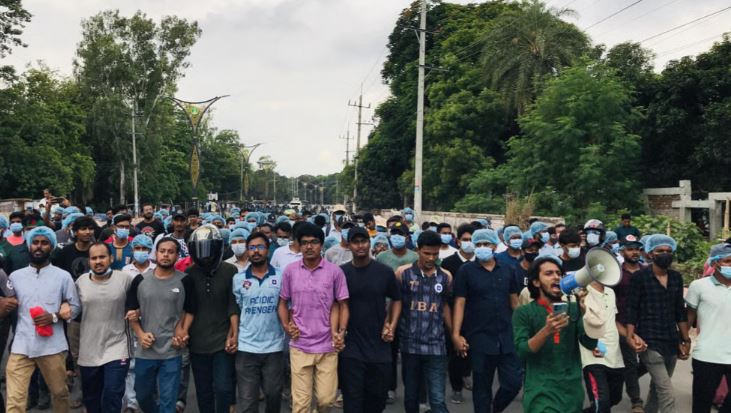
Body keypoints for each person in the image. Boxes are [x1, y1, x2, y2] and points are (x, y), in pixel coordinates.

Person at [5, 227, 80, 413]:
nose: (39, 247)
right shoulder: (15, 277)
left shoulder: (63, 277)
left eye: (44, 243)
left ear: (51, 247)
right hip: (21, 345)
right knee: (15, 400)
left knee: (60, 394)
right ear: (29, 245)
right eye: (35, 242)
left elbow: (75, 308)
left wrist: (54, 316)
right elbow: (7, 302)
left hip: (52, 346)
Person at [278, 222, 349, 413]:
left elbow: (342, 304)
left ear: (321, 245)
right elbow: (283, 302)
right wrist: (286, 326)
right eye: (305, 243)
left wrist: (341, 332)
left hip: (328, 345)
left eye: (314, 242)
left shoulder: (335, 272)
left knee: (326, 400)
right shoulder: (290, 271)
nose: (309, 246)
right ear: (299, 246)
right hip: (300, 344)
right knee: (300, 405)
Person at [452, 228, 522, 412]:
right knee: (482, 387)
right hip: (479, 336)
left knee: (513, 383)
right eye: (478, 244)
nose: (482, 247)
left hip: (507, 335)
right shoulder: (466, 271)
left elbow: (514, 302)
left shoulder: (507, 269)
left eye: (486, 244)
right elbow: (460, 302)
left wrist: (525, 328)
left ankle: (495, 409)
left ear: (494, 245)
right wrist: (456, 334)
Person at [126, 237, 197, 413]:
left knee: (168, 399)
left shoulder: (185, 281)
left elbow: (191, 310)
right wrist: (140, 334)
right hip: (145, 349)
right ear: (156, 253)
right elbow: (131, 313)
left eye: (171, 252)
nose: (166, 255)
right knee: (142, 395)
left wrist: (183, 330)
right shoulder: (140, 281)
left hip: (172, 350)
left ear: (177, 256)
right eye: (162, 251)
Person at [339, 227, 402, 413]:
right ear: (349, 245)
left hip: (380, 346)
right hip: (351, 347)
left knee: (376, 401)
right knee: (352, 402)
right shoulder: (341, 273)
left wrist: (391, 324)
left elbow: (397, 299)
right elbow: (337, 305)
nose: (360, 246)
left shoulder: (384, 272)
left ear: (370, 243)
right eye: (355, 242)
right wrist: (339, 332)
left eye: (364, 241)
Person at [626, 234, 690, 413]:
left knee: (657, 387)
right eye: (660, 251)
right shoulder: (640, 277)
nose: (665, 254)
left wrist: (686, 339)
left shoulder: (676, 277)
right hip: (649, 340)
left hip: (671, 339)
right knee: (666, 391)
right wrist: (630, 336)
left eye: (668, 251)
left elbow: (680, 310)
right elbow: (632, 308)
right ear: (650, 253)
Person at [512, 255, 584, 412]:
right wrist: (546, 331)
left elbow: (590, 343)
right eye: (549, 273)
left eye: (559, 273)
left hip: (571, 392)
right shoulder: (524, 312)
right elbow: (522, 351)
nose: (556, 277)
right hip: (541, 393)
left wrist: (584, 314)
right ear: (536, 282)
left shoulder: (573, 308)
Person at [396, 230, 453, 413]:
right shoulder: (403, 274)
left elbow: (445, 306)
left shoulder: (446, 277)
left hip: (436, 346)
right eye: (427, 253)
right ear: (418, 250)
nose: (431, 258)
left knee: (437, 399)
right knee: (411, 397)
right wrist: (390, 326)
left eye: (435, 254)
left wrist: (454, 334)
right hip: (409, 344)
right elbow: (396, 304)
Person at [185, 225, 239, 413]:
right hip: (197, 342)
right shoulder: (190, 274)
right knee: (203, 390)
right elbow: (187, 309)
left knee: (224, 388)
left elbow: (233, 306)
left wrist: (233, 334)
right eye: (199, 250)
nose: (204, 256)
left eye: (208, 250)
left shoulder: (230, 271)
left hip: (222, 341)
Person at [76, 243, 134, 413]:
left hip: (118, 346)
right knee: (92, 399)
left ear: (110, 258)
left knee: (112, 394)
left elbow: (137, 304)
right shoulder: (80, 282)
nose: (98, 261)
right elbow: (72, 313)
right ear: (89, 261)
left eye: (102, 257)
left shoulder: (124, 279)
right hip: (89, 349)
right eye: (94, 258)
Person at [233, 232, 286, 413]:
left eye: (260, 247)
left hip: (274, 347)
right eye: (252, 248)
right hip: (246, 347)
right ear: (247, 251)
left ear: (268, 250)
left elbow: (285, 307)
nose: (256, 252)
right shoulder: (239, 279)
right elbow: (238, 310)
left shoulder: (281, 277)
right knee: (248, 401)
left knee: (273, 395)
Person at [686, 243, 731, 413]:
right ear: (715, 263)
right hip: (707, 355)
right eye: (728, 261)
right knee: (701, 404)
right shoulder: (699, 286)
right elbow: (689, 316)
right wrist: (683, 340)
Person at [579, 267, 625, 413]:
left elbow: (613, 320)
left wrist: (631, 336)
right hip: (593, 356)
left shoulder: (610, 292)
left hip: (614, 356)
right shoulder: (581, 293)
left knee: (615, 398)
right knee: (602, 403)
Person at [439, 223, 475, 403]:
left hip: (475, 315)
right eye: (465, 240)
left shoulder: (480, 263)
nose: (469, 243)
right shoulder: (449, 263)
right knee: (455, 351)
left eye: (472, 240)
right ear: (458, 241)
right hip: (453, 313)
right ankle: (456, 388)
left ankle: (466, 374)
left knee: (472, 350)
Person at [614, 234, 646, 413]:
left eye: (637, 249)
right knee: (631, 362)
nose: (634, 252)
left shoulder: (646, 270)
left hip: (645, 324)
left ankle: (624, 376)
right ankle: (636, 401)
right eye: (630, 249)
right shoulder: (616, 274)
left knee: (651, 361)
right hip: (623, 324)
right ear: (622, 251)